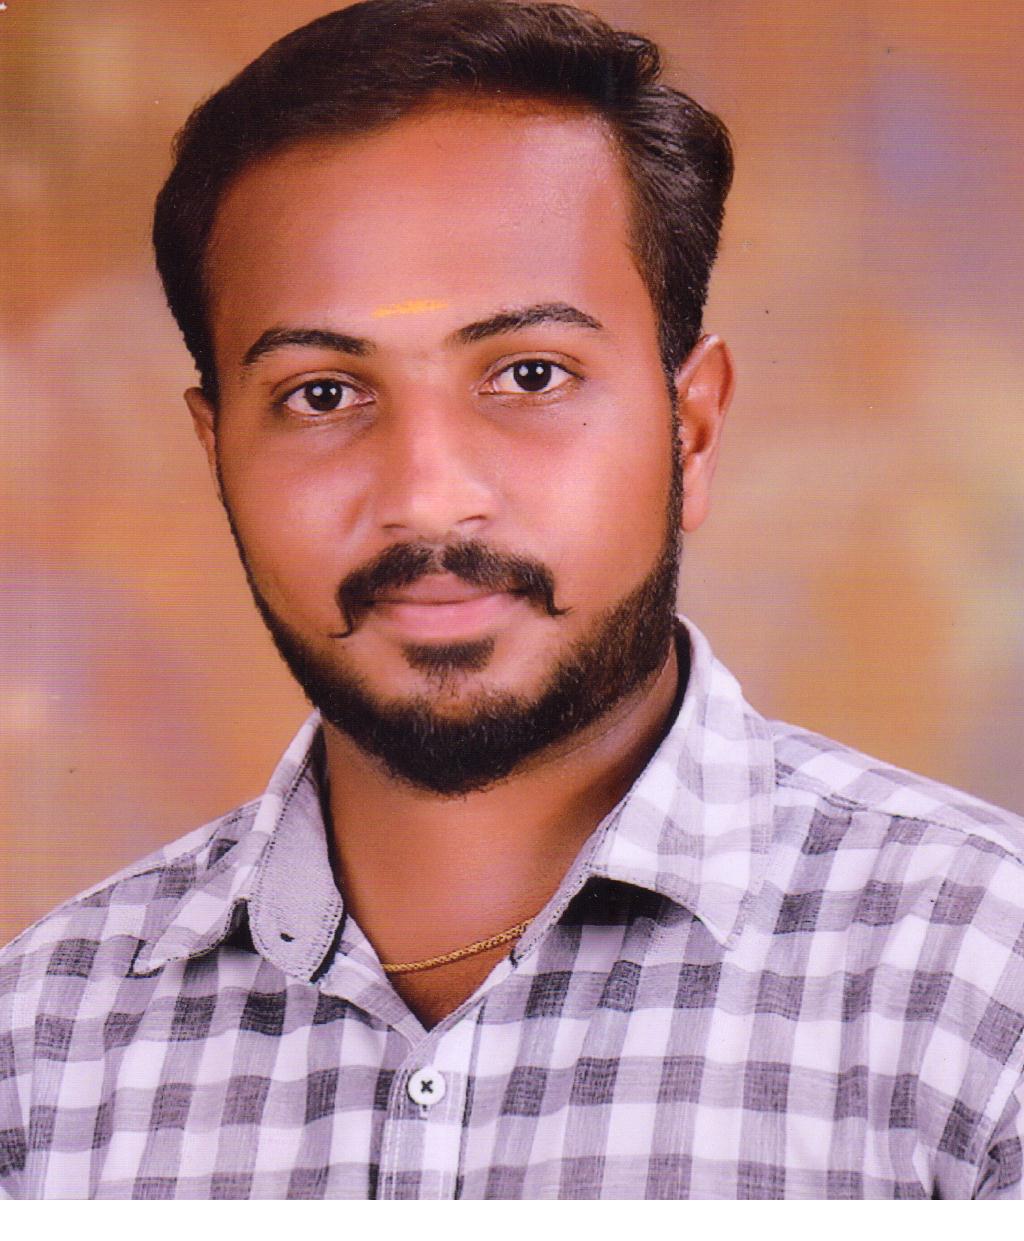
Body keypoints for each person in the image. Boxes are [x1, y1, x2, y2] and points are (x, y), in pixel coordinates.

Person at [1, 0, 1022, 1201]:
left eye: (530, 374)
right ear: (214, 449)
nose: (427, 497)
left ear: (691, 429)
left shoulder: (987, 983)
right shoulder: (40, 1048)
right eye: (322, 393)